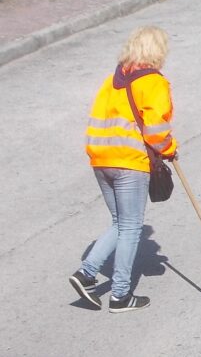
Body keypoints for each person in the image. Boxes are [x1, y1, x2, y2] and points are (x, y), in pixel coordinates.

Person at [69, 26, 177, 313]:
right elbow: (155, 130)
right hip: (129, 163)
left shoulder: (112, 81)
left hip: (101, 160)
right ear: (158, 52)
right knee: (131, 227)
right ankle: (119, 295)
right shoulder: (153, 82)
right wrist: (169, 149)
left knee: (119, 222)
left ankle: (87, 274)